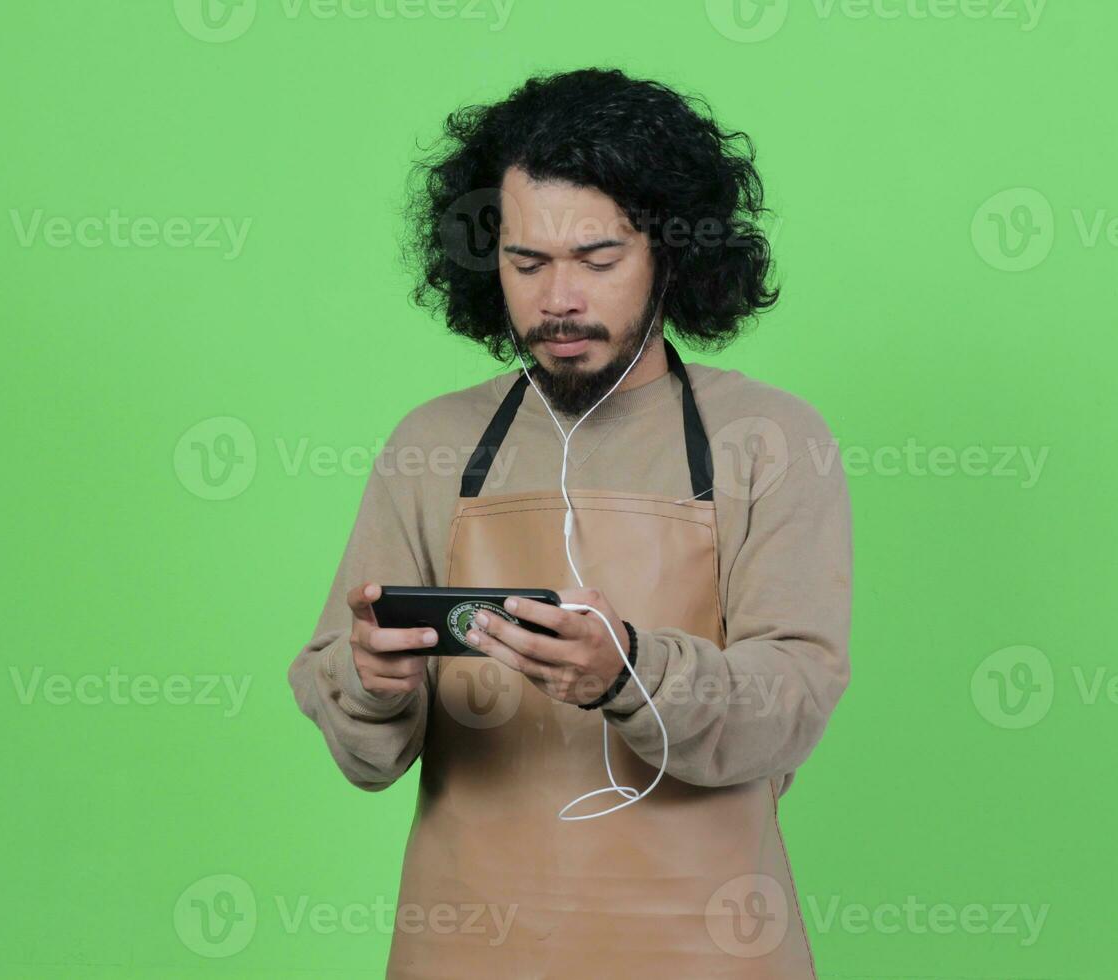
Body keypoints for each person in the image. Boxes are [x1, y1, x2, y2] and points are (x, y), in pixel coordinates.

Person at [288, 66, 852, 979]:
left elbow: (790, 701)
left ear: (671, 253)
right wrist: (372, 681)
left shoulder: (771, 440)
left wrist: (627, 671)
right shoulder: (433, 444)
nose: (558, 299)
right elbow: (366, 758)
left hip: (706, 951)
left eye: (597, 260)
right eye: (527, 263)